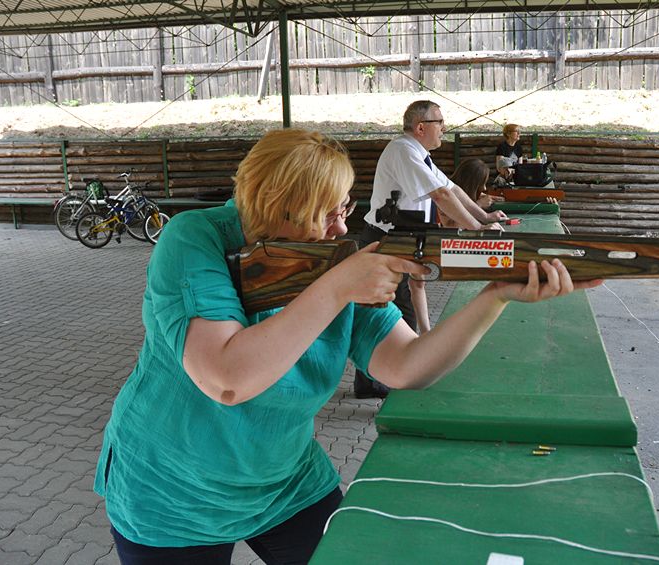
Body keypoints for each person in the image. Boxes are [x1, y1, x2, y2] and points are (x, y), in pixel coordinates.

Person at [92, 127, 601, 565]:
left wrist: (494, 296)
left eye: (345, 209)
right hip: (170, 493)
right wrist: (337, 287)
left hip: (284, 483)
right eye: (325, 214)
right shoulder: (194, 239)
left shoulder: (331, 259)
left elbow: (405, 366)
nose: (341, 229)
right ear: (275, 210)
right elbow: (227, 379)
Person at [357, 100, 509, 398]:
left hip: (403, 236)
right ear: (420, 127)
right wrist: (475, 230)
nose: (444, 128)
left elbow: (452, 189)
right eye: (439, 122)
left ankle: (381, 380)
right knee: (391, 311)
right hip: (386, 238)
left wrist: (484, 217)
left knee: (395, 308)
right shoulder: (403, 150)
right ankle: (386, 380)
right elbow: (441, 195)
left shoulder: (418, 153)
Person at [438, 158, 503, 228]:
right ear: (471, 184)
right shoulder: (446, 195)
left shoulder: (464, 191)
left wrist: (489, 198)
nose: (484, 188)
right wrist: (479, 204)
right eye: (481, 184)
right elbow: (451, 227)